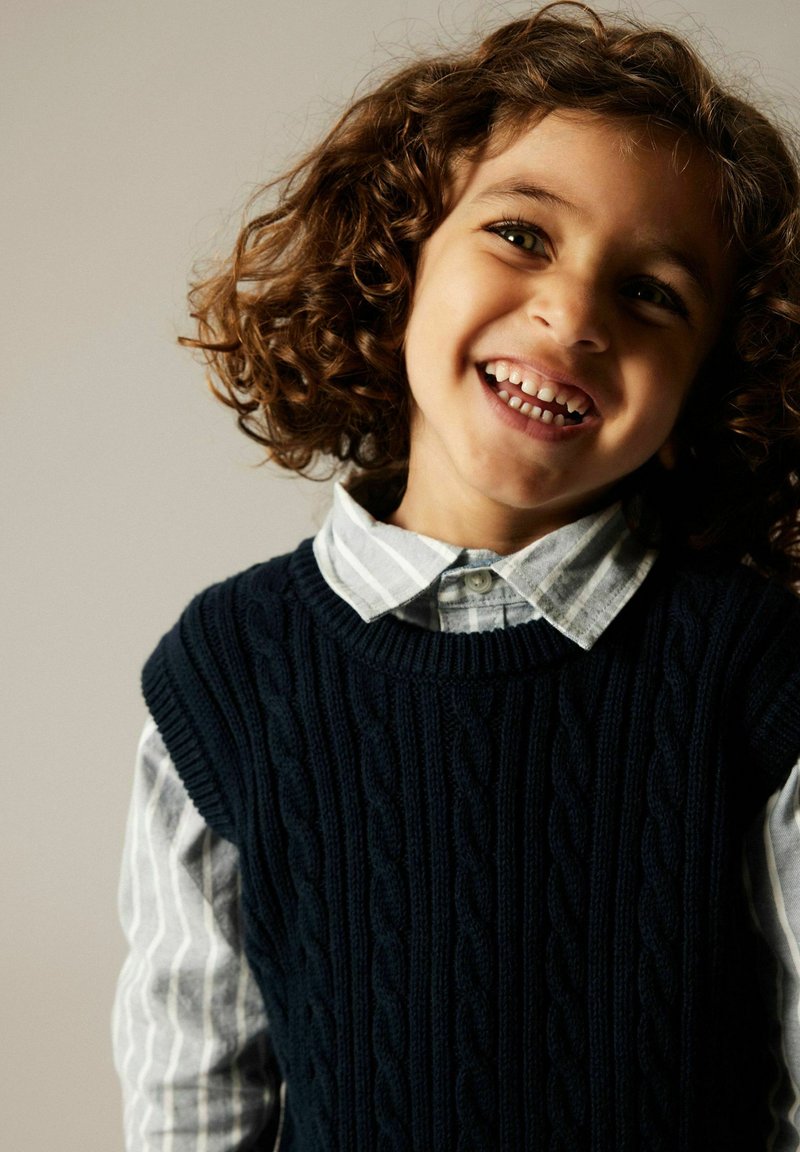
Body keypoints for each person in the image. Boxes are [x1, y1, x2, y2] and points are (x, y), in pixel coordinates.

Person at [112, 3, 800, 1148]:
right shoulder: (225, 679)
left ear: (709, 386)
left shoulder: (757, 675)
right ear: (396, 263)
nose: (571, 314)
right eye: (522, 235)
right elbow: (193, 1093)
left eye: (650, 293)